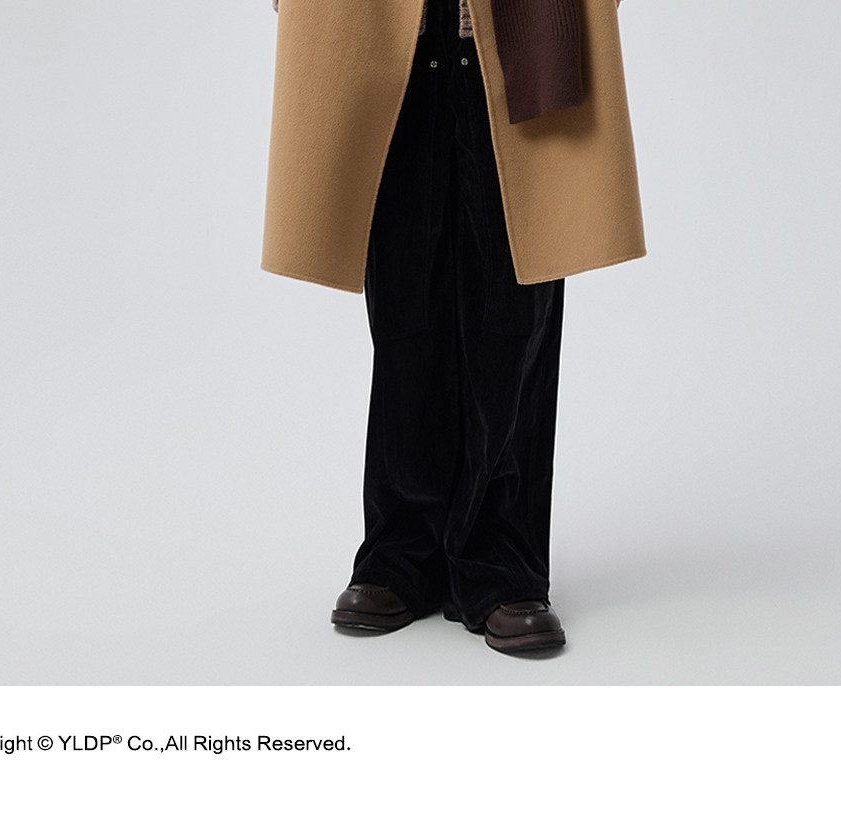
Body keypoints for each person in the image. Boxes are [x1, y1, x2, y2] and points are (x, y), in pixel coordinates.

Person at [263, 0, 644, 654]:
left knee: (513, 303)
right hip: (384, 21)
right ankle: (401, 553)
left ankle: (502, 562)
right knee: (404, 308)